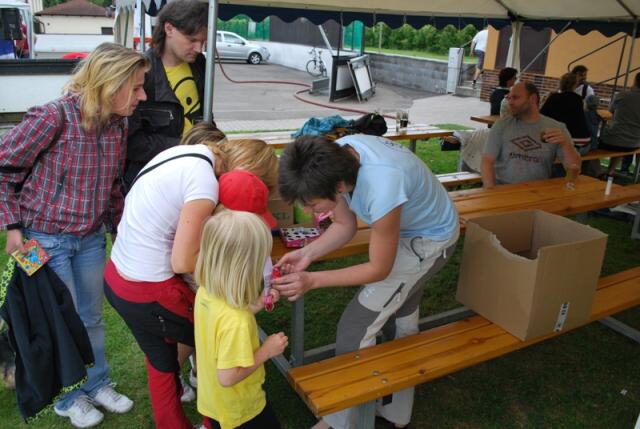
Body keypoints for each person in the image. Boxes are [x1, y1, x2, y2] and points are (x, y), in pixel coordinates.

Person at [0, 42, 148, 428]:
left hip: (90, 239)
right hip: (42, 240)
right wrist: (12, 226)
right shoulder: (53, 117)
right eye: (135, 87)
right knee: (57, 324)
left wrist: (121, 232)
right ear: (110, 83)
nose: (142, 96)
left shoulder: (119, 125)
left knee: (91, 317)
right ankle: (69, 398)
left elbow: (112, 186)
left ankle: (97, 383)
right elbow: (4, 169)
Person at [273, 134, 460, 429]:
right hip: (407, 228)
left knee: (355, 328)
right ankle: (396, 413)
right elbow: (344, 224)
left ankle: (340, 423)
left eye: (311, 204)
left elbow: (378, 269)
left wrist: (312, 280)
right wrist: (306, 254)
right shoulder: (338, 158)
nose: (307, 212)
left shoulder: (382, 186)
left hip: (428, 240)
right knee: (398, 316)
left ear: (338, 186)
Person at [104, 122, 278, 429]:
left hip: (119, 275)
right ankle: (214, 418)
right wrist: (242, 290)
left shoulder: (193, 155)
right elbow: (184, 260)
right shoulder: (205, 185)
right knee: (211, 344)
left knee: (162, 360)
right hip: (150, 287)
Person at [194, 209, 287, 429]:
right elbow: (227, 377)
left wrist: (259, 303)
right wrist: (267, 351)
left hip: (214, 402)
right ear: (246, 268)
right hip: (241, 411)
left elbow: (222, 323)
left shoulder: (206, 293)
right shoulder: (237, 322)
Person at [124, 0, 209, 192]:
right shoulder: (141, 73)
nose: (198, 49)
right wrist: (185, 146)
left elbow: (205, 115)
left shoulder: (200, 64)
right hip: (154, 180)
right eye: (192, 40)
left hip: (194, 170)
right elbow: (131, 143)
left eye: (203, 42)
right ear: (169, 28)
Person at [481, 82, 581, 187]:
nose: (510, 102)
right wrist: (491, 190)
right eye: (509, 98)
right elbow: (487, 161)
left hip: (537, 190)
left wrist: (566, 144)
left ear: (532, 99)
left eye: (515, 97)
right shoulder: (502, 125)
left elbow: (574, 167)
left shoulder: (556, 128)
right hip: (503, 187)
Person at [598, 72, 640, 176]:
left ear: (635, 81)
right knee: (620, 140)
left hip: (615, 139)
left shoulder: (622, 95)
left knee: (590, 143)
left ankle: (599, 172)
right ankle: (610, 171)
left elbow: (610, 111)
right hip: (635, 143)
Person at [540, 72, 591, 153]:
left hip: (565, 143)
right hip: (584, 142)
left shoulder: (554, 97)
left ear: (560, 83)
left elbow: (540, 117)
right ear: (575, 85)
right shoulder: (578, 99)